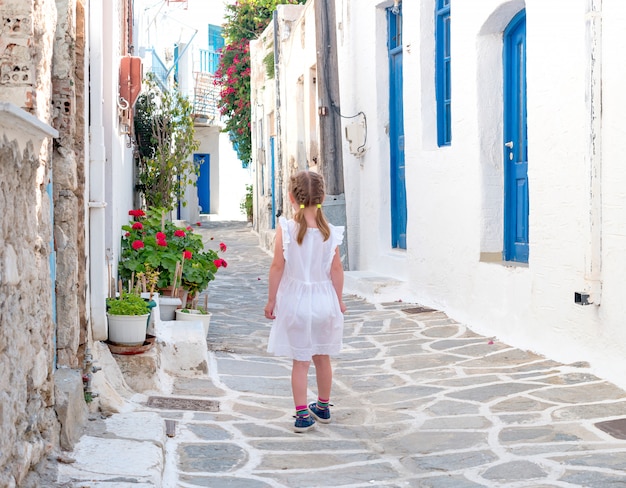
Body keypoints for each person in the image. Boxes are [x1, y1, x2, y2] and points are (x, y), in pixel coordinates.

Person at [264, 170, 346, 433]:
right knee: (323, 357)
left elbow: (277, 266)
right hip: (324, 301)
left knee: (301, 361)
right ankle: (322, 406)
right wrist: (339, 301)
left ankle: (302, 414)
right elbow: (336, 271)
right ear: (322, 197)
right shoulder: (330, 232)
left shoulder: (287, 229)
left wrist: (271, 300)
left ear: (291, 197)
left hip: (297, 303)